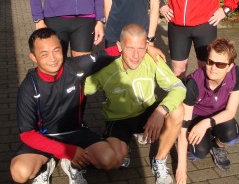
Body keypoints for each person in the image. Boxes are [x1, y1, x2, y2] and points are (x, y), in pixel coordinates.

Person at [10, 28, 164, 184]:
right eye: (44, 54)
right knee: (20, 172)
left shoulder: (75, 67)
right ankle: (47, 165)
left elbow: (109, 53)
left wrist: (147, 47)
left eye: (56, 50)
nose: (52, 58)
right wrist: (68, 151)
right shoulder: (28, 88)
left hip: (75, 131)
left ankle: (70, 164)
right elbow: (27, 134)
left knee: (111, 160)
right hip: (46, 136)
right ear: (33, 57)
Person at [84, 24, 186, 184]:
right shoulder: (106, 68)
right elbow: (78, 91)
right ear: (119, 46)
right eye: (130, 48)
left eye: (140, 48)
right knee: (113, 160)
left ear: (147, 46)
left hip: (147, 114)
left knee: (178, 110)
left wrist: (161, 111)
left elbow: (178, 87)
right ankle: (119, 144)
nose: (136, 55)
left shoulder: (152, 59)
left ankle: (159, 160)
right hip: (119, 119)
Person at [176, 38, 239, 184]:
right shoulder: (193, 84)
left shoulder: (237, 74)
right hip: (195, 116)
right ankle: (202, 142)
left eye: (220, 64)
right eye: (210, 62)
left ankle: (217, 146)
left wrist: (206, 123)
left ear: (230, 66)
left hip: (217, 116)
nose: (213, 68)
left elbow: (231, 111)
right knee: (198, 153)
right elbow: (182, 127)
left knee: (231, 135)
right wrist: (182, 168)